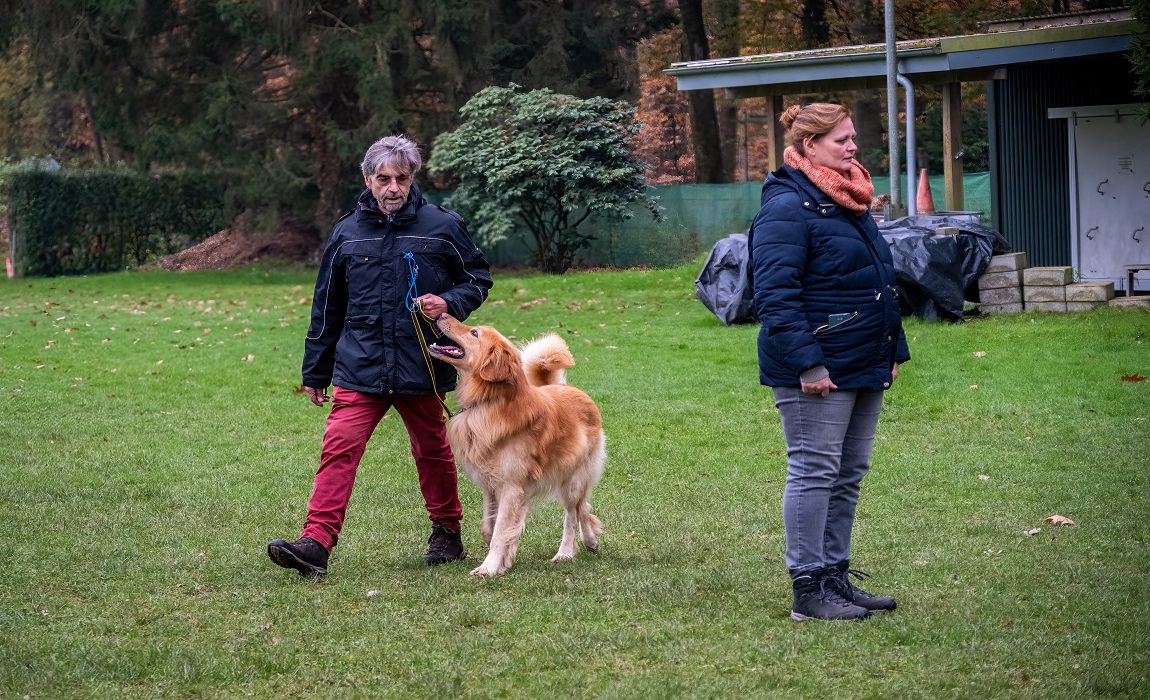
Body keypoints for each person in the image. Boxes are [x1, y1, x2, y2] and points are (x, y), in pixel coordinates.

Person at [268, 135, 493, 576]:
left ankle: (447, 533)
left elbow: (477, 277)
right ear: (368, 179)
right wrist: (316, 370)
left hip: (423, 366)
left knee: (433, 451)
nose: (393, 188)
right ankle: (315, 543)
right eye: (384, 179)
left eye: (402, 179)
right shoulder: (346, 233)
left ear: (412, 179)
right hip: (360, 365)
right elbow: (327, 305)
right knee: (339, 449)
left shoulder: (441, 226)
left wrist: (449, 302)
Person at [749, 103, 910, 621]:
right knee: (815, 469)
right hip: (818, 365)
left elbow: (879, 282)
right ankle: (808, 589)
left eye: (853, 137)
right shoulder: (787, 206)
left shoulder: (848, 199)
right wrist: (808, 364)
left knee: (848, 472)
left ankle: (835, 577)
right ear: (809, 145)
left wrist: (894, 351)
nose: (852, 146)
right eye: (841, 139)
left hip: (864, 357)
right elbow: (774, 294)